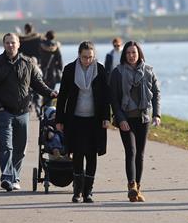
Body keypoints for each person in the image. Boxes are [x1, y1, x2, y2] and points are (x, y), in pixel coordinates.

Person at [0, 33, 57, 192]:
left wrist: (51, 93)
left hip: (23, 112)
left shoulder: (28, 63)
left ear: (19, 44)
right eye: (7, 43)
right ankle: (6, 177)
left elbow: (38, 83)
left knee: (20, 149)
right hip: (4, 112)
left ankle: (15, 177)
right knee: (6, 147)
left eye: (13, 43)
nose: (10, 45)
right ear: (3, 45)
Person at [56, 41, 110, 203]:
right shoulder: (70, 70)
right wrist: (59, 119)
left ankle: (88, 192)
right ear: (79, 55)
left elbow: (106, 96)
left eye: (90, 57)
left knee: (92, 155)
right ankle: (77, 191)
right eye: (84, 57)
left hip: (95, 120)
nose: (87, 60)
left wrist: (107, 117)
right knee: (78, 155)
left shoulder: (100, 69)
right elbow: (62, 96)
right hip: (75, 120)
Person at [110, 41, 161, 202]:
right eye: (128, 53)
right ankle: (131, 185)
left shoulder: (148, 70)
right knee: (130, 151)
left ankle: (137, 188)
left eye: (134, 53)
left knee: (140, 154)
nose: (131, 56)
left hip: (143, 117)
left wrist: (157, 114)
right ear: (124, 55)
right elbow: (114, 99)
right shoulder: (117, 72)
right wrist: (120, 119)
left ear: (139, 53)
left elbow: (156, 92)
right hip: (126, 119)